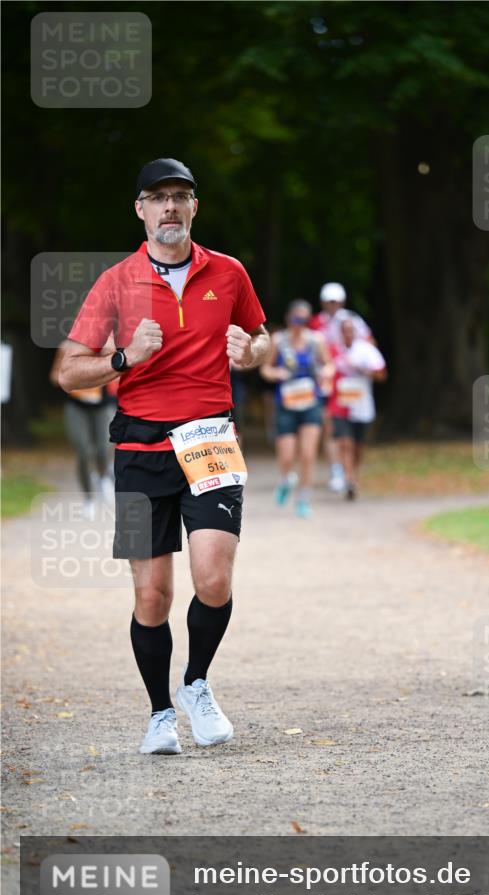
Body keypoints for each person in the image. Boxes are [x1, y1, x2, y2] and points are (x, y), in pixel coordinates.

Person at [58, 157, 270, 753]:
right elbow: (70, 372)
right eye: (159, 197)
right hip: (138, 449)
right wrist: (124, 358)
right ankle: (158, 714)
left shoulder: (228, 273)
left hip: (210, 441)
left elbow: (260, 334)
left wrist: (252, 351)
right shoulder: (115, 282)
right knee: (152, 595)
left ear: (195, 206)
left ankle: (196, 684)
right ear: (141, 210)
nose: (170, 207)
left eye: (181, 196)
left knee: (214, 578)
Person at [260, 299, 332, 518]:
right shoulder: (279, 341)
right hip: (287, 403)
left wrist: (325, 374)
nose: (299, 323)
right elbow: (265, 369)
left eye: (303, 319)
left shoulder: (316, 340)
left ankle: (303, 498)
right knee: (287, 455)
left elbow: (329, 364)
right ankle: (285, 480)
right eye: (295, 318)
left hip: (310, 402)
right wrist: (276, 374)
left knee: (309, 454)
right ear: (288, 318)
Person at [311, 282, 372, 493]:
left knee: (353, 430)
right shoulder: (317, 322)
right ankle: (336, 470)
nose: (332, 305)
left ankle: (349, 471)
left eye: (336, 301)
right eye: (329, 301)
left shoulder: (353, 320)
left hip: (350, 382)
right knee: (329, 425)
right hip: (326, 381)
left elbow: (368, 345)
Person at [50, 339, 117, 518]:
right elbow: (55, 376)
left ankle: (103, 477)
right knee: (83, 452)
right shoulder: (67, 347)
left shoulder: (109, 345)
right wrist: (70, 380)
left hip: (104, 406)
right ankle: (89, 499)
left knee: (104, 449)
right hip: (77, 406)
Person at [328, 317, 387, 499]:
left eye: (351, 329)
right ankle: (349, 479)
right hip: (340, 403)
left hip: (362, 404)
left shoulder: (366, 350)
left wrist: (363, 369)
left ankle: (354, 473)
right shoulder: (333, 350)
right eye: (344, 330)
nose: (348, 333)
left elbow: (381, 374)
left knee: (359, 445)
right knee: (345, 443)